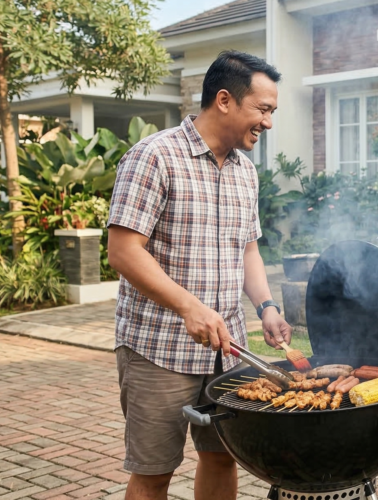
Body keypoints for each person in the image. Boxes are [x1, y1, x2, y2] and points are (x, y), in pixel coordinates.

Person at [106, 51, 293, 500]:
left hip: (228, 352)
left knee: (223, 454)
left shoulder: (246, 171)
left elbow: (247, 246)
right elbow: (123, 251)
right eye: (263, 109)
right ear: (225, 100)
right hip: (159, 347)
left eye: (272, 112)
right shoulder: (154, 156)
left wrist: (266, 306)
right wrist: (189, 307)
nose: (268, 122)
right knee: (154, 472)